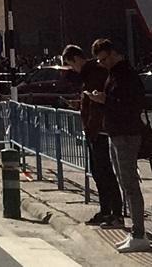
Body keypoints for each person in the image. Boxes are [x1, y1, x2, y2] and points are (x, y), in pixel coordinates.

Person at [86, 39, 150, 253]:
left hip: (126, 134)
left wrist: (106, 100)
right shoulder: (114, 73)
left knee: (130, 184)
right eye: (99, 60)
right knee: (125, 183)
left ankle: (139, 233)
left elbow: (131, 104)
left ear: (113, 53)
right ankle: (135, 231)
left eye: (104, 59)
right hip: (116, 133)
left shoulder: (126, 75)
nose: (102, 64)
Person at [62, 45, 123, 228]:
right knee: (98, 171)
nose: (73, 70)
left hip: (100, 130)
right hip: (93, 129)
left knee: (105, 172)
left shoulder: (94, 72)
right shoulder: (89, 74)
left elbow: (100, 100)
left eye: (71, 65)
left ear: (76, 59)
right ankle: (106, 210)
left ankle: (115, 212)